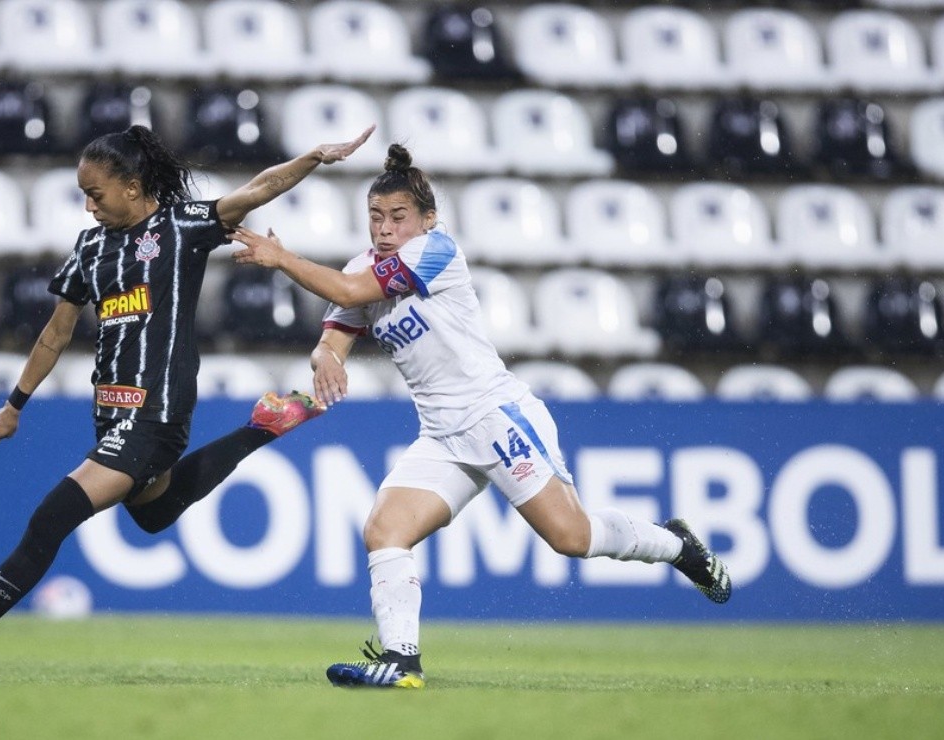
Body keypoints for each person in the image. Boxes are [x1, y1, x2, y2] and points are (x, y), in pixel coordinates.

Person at [230, 143, 732, 689]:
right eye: (376, 217)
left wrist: (283, 258)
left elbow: (350, 291)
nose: (385, 229)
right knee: (384, 529)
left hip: (497, 418)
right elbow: (335, 335)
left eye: (398, 217)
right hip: (442, 435)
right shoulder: (360, 266)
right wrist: (325, 360)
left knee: (572, 537)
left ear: (427, 219)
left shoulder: (435, 252)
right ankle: (402, 661)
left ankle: (677, 544)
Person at [0, 123, 374, 681]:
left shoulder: (180, 227)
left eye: (95, 193)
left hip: (156, 414)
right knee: (152, 514)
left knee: (50, 519)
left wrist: (313, 157)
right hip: (111, 415)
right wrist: (14, 405)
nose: (88, 204)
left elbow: (257, 190)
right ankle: (263, 426)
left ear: (130, 185)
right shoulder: (90, 248)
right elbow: (55, 335)